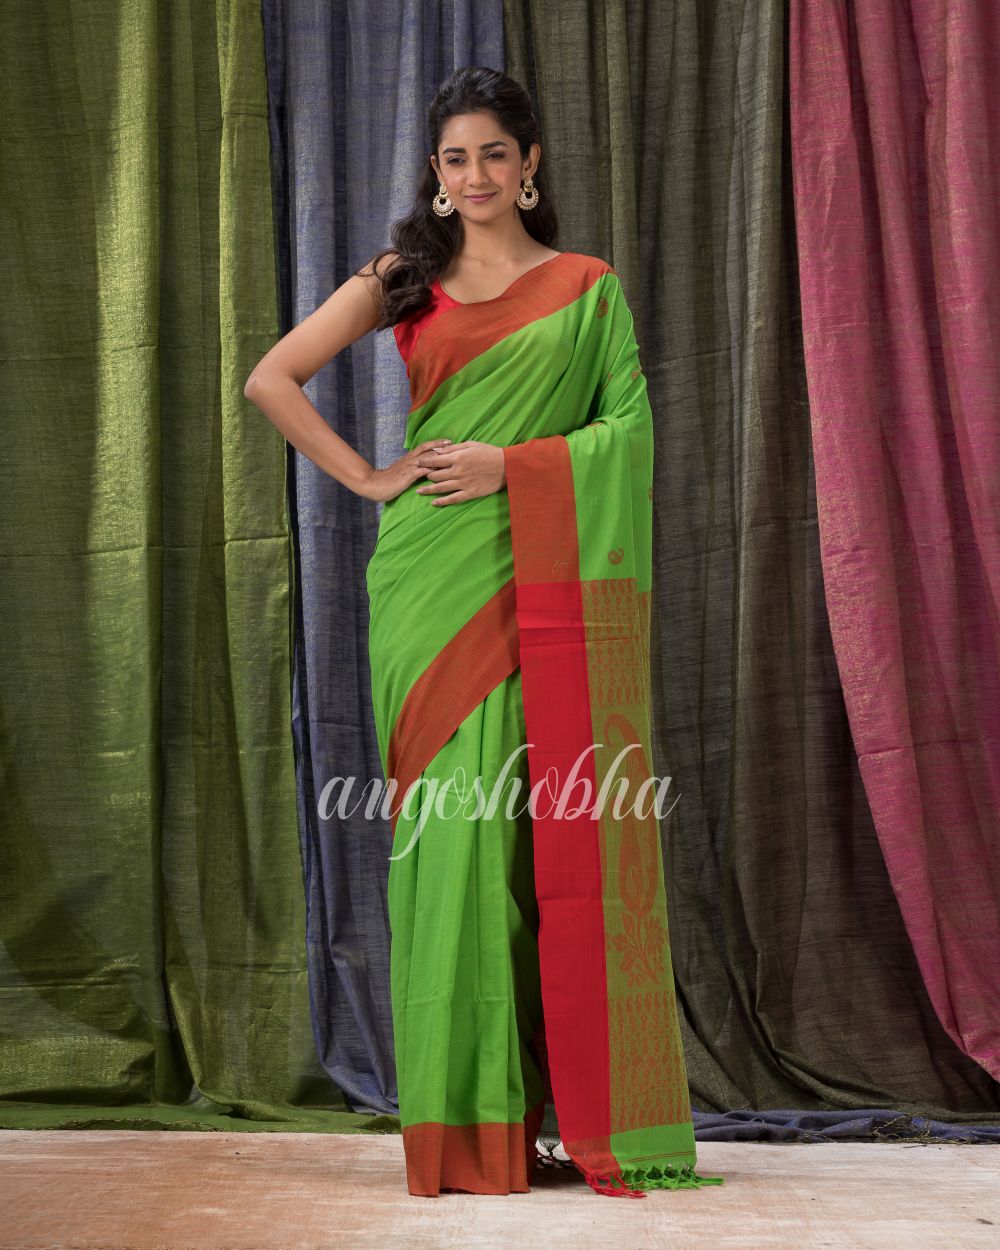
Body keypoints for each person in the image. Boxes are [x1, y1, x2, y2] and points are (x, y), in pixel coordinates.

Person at [245, 64, 724, 1201]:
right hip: (432, 585)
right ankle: (469, 1134)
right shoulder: (402, 279)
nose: (475, 176)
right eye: (455, 159)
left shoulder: (586, 288)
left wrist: (514, 465)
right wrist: (371, 477)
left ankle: (552, 1116)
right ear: (436, 170)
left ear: (530, 162)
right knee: (454, 845)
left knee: (540, 845)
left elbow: (629, 432)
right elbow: (272, 378)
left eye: (494, 155)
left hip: (545, 576)